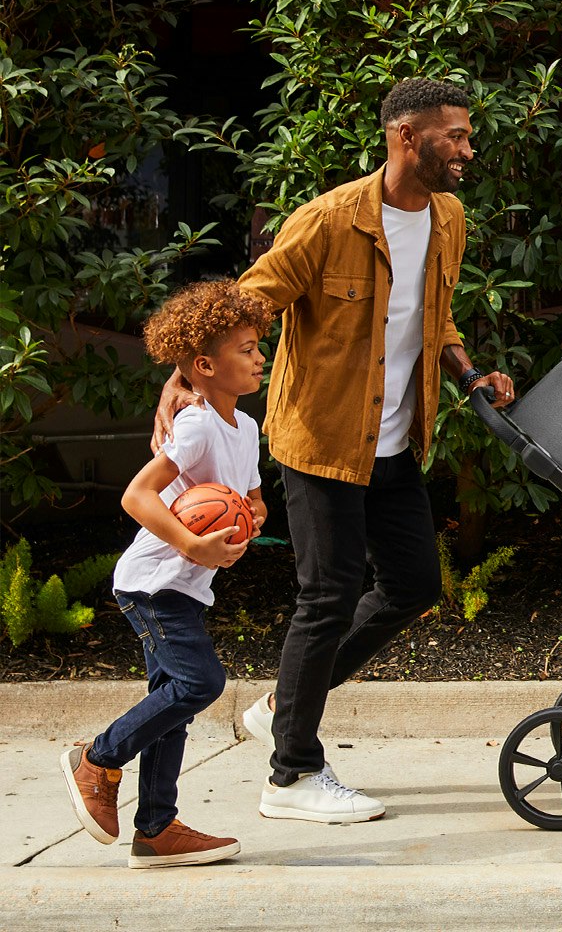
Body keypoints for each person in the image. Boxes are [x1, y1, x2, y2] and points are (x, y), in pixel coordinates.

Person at [153, 78, 517, 823]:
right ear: (406, 137)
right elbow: (247, 302)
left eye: (467, 134)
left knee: (413, 585)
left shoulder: (448, 218)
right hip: (320, 440)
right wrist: (185, 372)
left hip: (393, 441)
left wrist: (468, 371)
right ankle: (291, 775)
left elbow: (432, 318)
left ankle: (286, 705)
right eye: (454, 135)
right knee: (326, 598)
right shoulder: (328, 221)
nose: (467, 149)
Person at [63, 281, 272, 867]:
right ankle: (98, 758)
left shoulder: (245, 427)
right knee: (199, 684)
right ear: (204, 365)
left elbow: (251, 496)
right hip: (153, 582)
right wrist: (191, 544)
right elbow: (137, 495)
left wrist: (251, 513)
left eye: (259, 346)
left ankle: (155, 828)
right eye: (247, 349)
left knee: (171, 702)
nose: (260, 357)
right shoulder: (198, 424)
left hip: (183, 585)